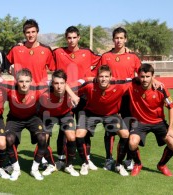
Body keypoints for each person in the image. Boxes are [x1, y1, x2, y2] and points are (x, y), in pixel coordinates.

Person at [53, 26, 100, 170]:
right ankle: (61, 159)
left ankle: (87, 159)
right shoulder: (58, 52)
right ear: (66, 38)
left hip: (82, 97)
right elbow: (41, 55)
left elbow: (104, 60)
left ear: (79, 37)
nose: (72, 40)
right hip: (64, 96)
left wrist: (126, 51)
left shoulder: (87, 53)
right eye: (69, 38)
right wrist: (22, 44)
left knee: (82, 129)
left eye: (74, 37)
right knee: (64, 130)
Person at [96, 27, 141, 171]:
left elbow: (142, 75)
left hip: (129, 98)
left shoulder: (133, 57)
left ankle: (128, 159)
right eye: (116, 38)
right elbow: (98, 75)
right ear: (113, 39)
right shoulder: (106, 56)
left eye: (121, 38)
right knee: (110, 130)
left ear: (125, 39)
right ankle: (109, 159)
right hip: (111, 98)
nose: (119, 40)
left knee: (128, 129)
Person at [76, 65, 130, 176]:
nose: (103, 79)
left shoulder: (119, 85)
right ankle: (85, 163)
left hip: (111, 114)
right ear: (96, 77)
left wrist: (154, 80)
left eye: (106, 76)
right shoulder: (89, 86)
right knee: (79, 134)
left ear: (111, 77)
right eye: (101, 76)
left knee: (125, 134)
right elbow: (73, 87)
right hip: (90, 113)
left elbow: (135, 79)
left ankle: (118, 165)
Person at [128, 63, 173, 176]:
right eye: (142, 76)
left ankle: (161, 165)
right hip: (139, 122)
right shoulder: (132, 84)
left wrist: (171, 128)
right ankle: (137, 164)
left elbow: (171, 107)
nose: (144, 79)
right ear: (138, 76)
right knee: (132, 143)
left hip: (158, 122)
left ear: (152, 76)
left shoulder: (161, 88)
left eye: (147, 77)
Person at [39, 70, 78, 176]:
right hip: (49, 115)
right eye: (56, 83)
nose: (59, 86)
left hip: (65, 114)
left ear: (66, 83)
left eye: (62, 83)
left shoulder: (71, 88)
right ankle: (51, 164)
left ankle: (68, 165)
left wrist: (73, 95)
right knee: (43, 138)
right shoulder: (44, 90)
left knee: (71, 137)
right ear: (52, 83)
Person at [7, 19, 55, 83]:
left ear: (37, 32)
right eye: (28, 32)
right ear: (24, 34)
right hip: (21, 90)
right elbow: (5, 66)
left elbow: (54, 69)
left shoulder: (46, 50)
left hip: (40, 90)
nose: (31, 35)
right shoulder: (16, 49)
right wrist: (12, 71)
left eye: (33, 32)